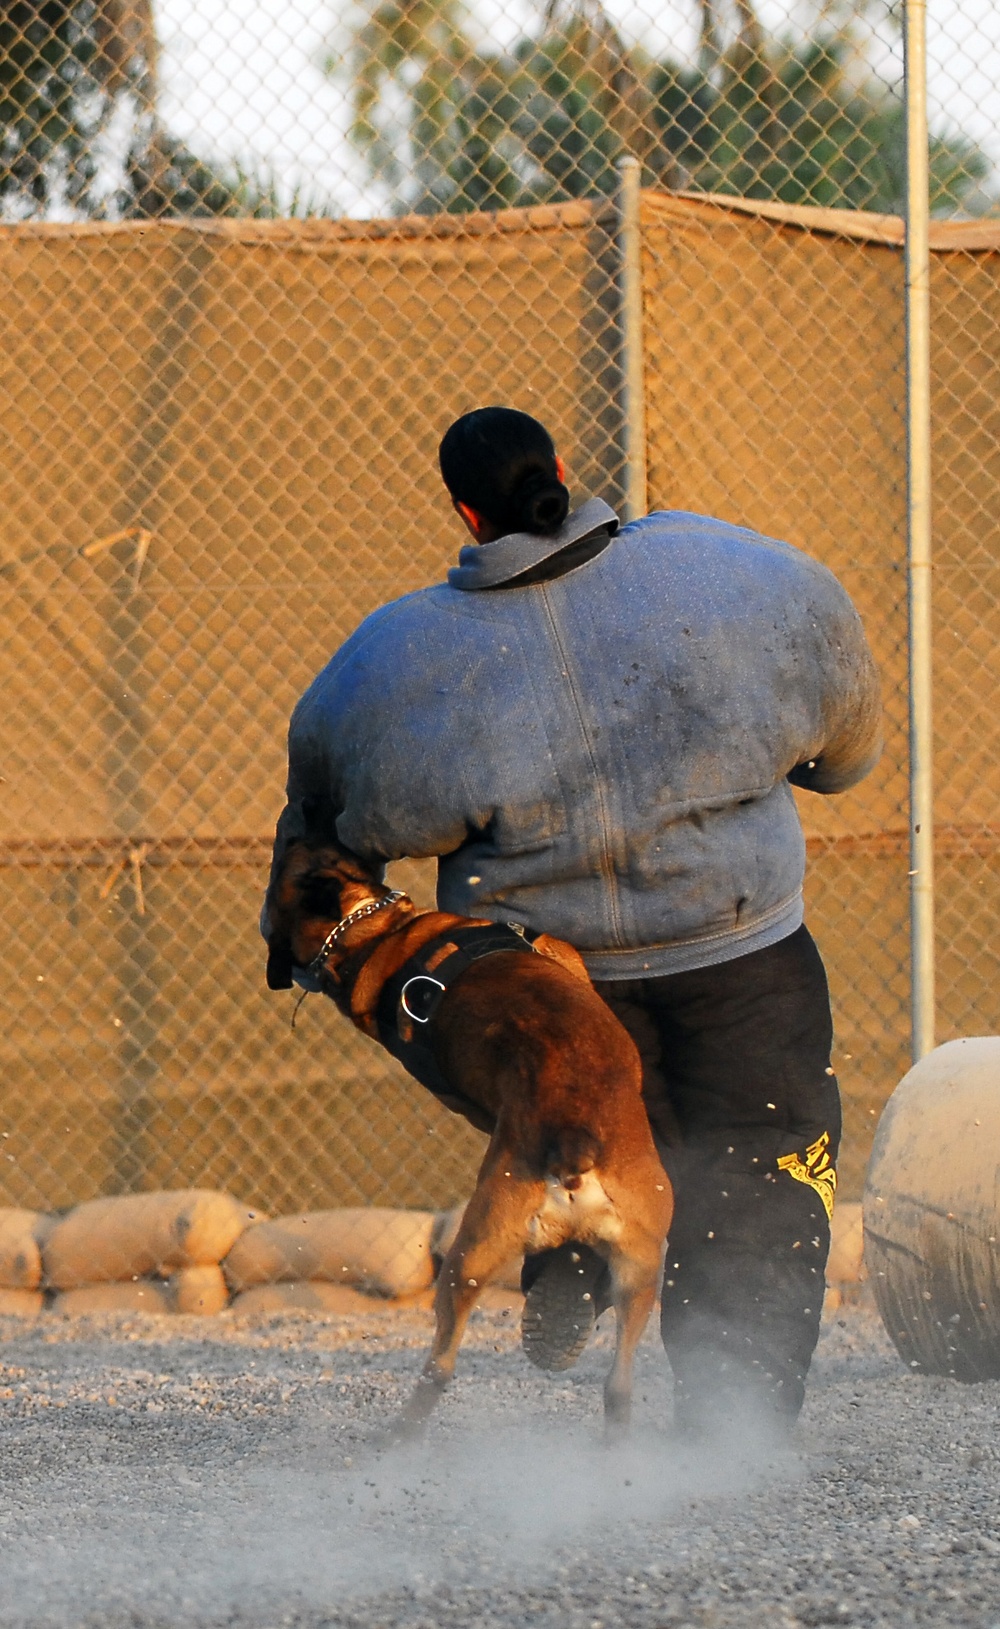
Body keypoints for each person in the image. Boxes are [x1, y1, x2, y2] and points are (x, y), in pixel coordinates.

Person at [263, 405, 881, 1439]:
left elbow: (324, 839)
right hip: (744, 954)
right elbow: (847, 750)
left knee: (562, 1113)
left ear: (465, 511)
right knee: (760, 1165)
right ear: (561, 470)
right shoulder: (743, 573)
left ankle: (569, 1247)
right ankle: (739, 1421)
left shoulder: (387, 663)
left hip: (540, 983)